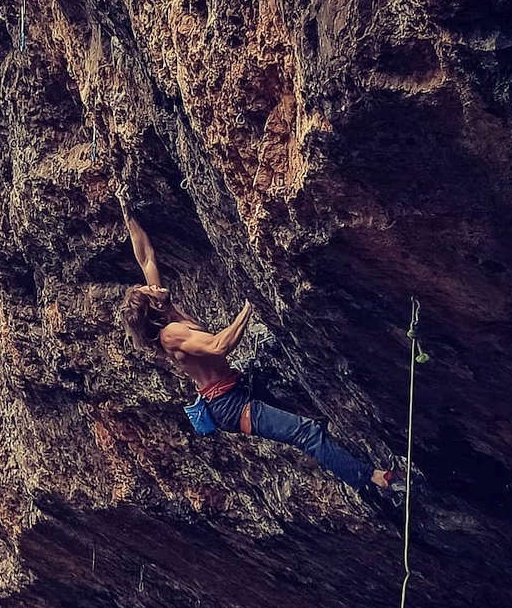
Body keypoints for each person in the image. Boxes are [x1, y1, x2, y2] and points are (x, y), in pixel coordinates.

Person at [118, 194, 401, 494]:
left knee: (311, 411)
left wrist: (128, 214)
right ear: (154, 308)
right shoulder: (170, 334)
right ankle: (375, 480)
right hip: (229, 405)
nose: (152, 285)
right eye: (148, 290)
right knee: (305, 433)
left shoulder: (167, 307)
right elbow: (217, 347)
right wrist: (249, 307)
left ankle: (358, 465)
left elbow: (146, 257)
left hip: (235, 387)